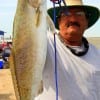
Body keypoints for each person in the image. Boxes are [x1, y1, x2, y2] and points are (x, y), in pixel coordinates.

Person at [35, 0, 100, 100]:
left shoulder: (97, 55)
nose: (73, 19)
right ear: (58, 21)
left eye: (79, 14)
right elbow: (28, 14)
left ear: (87, 22)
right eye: (66, 13)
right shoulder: (44, 42)